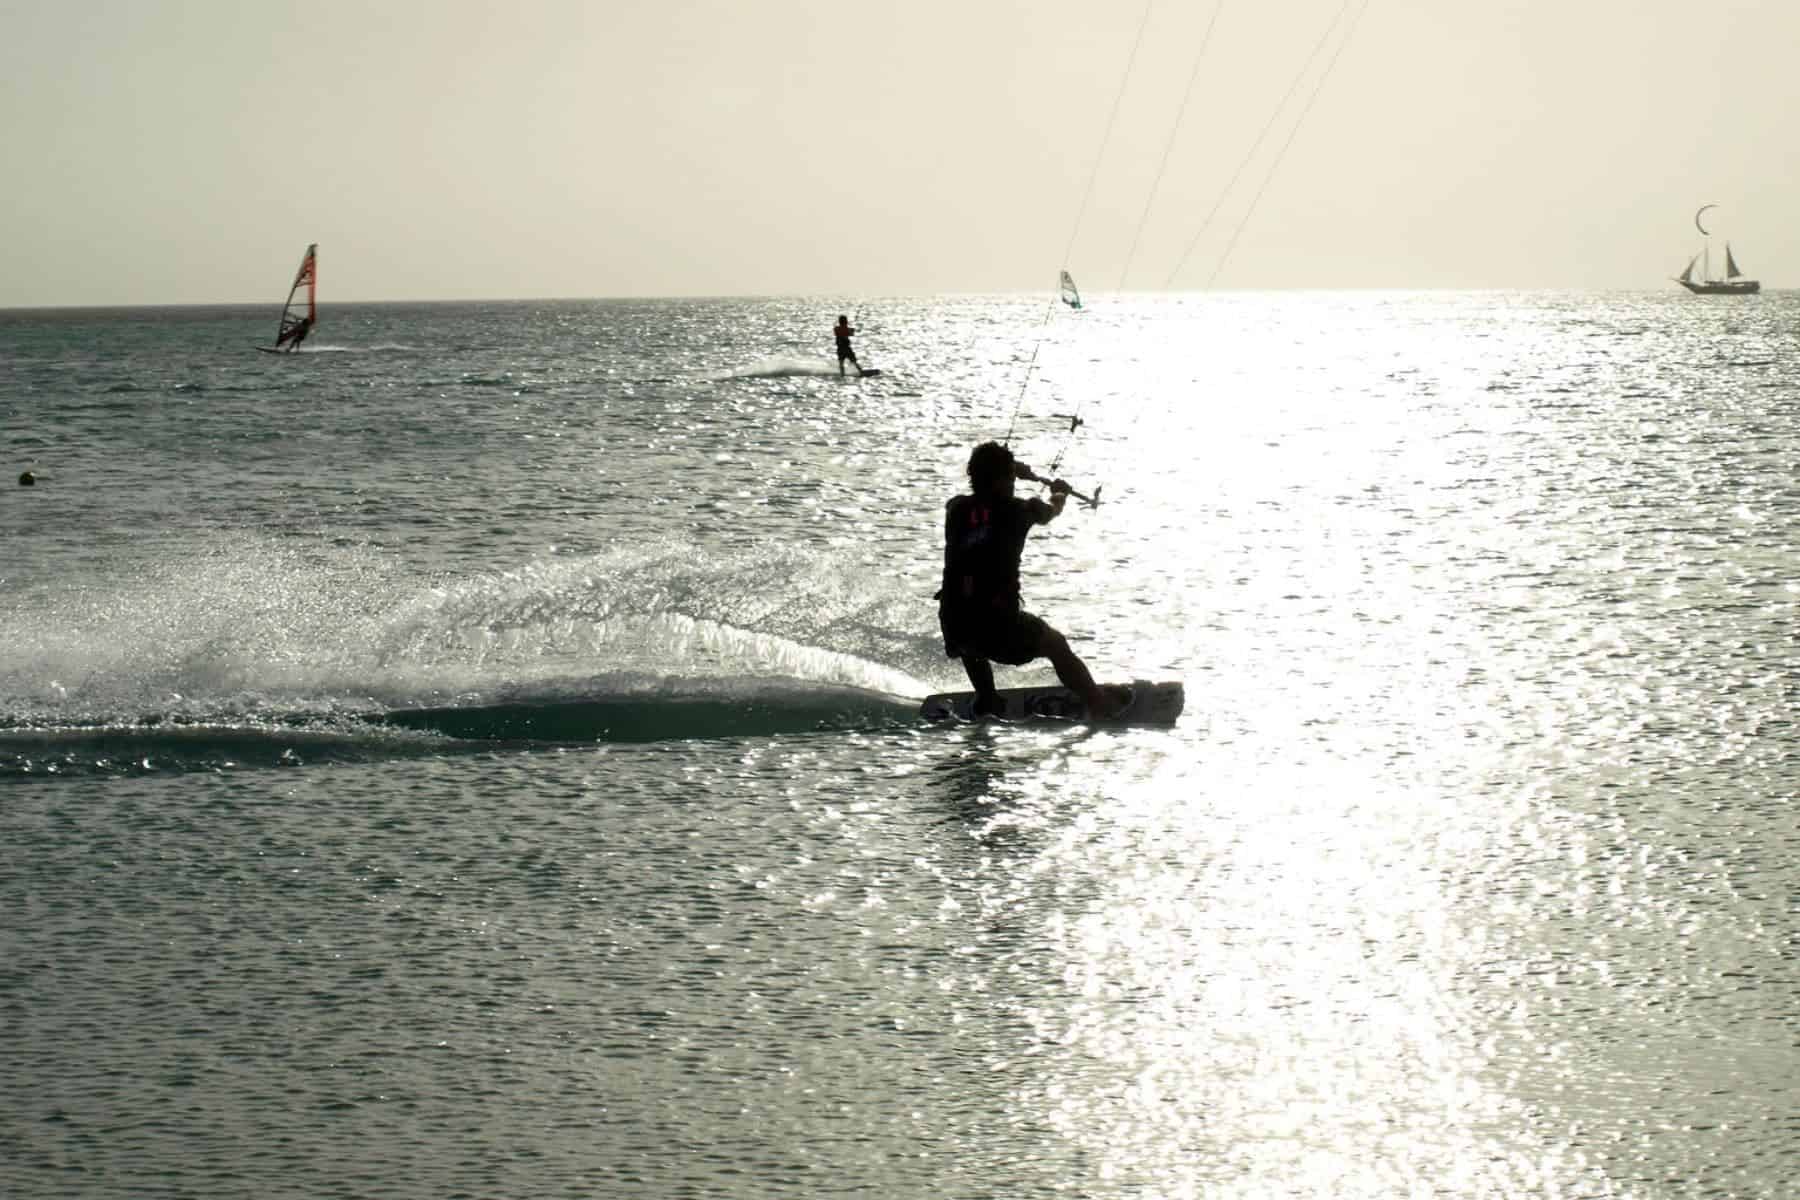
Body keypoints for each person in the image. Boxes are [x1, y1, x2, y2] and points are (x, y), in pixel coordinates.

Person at [936, 440, 1129, 720]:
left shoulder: (955, 509)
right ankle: (1099, 705)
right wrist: (1060, 493)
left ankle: (987, 698)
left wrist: (1011, 470)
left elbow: (985, 497)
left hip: (955, 626)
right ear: (1003, 479)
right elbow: (1051, 510)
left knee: (969, 618)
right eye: (1010, 478)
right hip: (998, 628)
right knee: (1056, 644)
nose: (1014, 483)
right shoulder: (1020, 511)